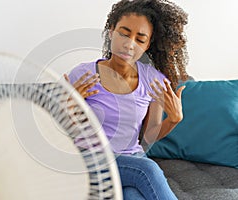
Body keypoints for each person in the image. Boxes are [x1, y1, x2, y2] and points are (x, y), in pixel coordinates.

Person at [65, 0, 189, 199]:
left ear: (148, 44)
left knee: (132, 195)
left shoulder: (153, 80)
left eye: (140, 39)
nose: (129, 44)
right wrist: (68, 107)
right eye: (124, 33)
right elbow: (66, 134)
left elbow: (148, 137)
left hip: (132, 159)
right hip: (91, 161)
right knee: (147, 169)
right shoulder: (83, 74)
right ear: (111, 30)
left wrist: (173, 120)